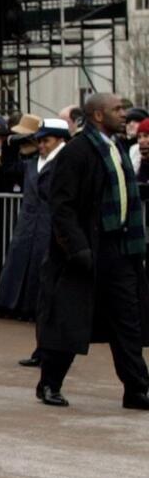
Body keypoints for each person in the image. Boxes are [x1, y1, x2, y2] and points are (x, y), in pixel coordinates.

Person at [36, 93, 149, 409]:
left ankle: (137, 389)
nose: (124, 114)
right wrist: (77, 248)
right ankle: (49, 383)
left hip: (120, 249)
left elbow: (124, 193)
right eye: (117, 110)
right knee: (70, 321)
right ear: (98, 115)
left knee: (127, 321)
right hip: (85, 251)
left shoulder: (115, 147)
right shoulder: (78, 151)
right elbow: (62, 205)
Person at [0, 119, 70, 321]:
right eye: (40, 141)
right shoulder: (32, 163)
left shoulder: (65, 162)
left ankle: (36, 308)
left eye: (47, 140)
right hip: (28, 223)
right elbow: (8, 170)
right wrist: (10, 143)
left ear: (59, 139)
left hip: (50, 223)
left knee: (42, 265)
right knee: (20, 262)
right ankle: (12, 304)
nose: (42, 145)